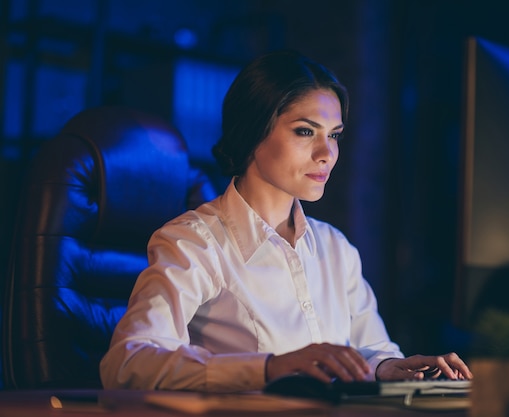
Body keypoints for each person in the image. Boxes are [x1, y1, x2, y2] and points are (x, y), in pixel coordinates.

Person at [99, 49, 472, 393]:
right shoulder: (194, 243)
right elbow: (128, 361)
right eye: (305, 131)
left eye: (335, 135)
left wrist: (390, 367)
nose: (327, 153)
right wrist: (268, 368)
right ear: (253, 131)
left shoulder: (335, 249)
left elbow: (371, 347)